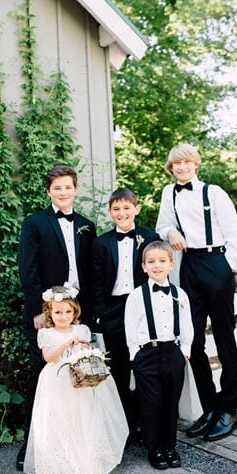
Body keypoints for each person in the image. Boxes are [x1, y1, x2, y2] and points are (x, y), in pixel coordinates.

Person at [155, 143, 237, 441]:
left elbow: (234, 235)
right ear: (171, 168)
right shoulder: (169, 193)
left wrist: (226, 268)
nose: (181, 168)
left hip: (216, 263)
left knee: (224, 336)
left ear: (195, 164)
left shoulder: (214, 192)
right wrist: (171, 233)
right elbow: (162, 225)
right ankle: (210, 408)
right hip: (189, 265)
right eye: (175, 164)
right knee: (192, 340)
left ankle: (229, 409)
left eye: (186, 163)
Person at [16, 165, 96, 470]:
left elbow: (91, 270)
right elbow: (28, 268)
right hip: (48, 312)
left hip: (78, 311)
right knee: (42, 377)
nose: (63, 192)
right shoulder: (35, 223)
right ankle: (31, 446)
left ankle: (76, 445)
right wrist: (39, 309)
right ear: (49, 191)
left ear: (75, 189)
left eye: (68, 187)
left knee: (79, 376)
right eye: (57, 188)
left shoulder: (87, 225)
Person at [23, 285, 128, 474]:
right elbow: (49, 357)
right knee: (61, 418)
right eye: (58, 312)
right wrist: (64, 344)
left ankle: (87, 459)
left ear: (75, 312)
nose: (63, 316)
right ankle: (62, 463)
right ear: (50, 313)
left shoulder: (82, 329)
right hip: (56, 381)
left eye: (68, 312)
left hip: (80, 379)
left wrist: (84, 345)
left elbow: (87, 351)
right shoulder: (46, 333)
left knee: (83, 416)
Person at [91, 188, 160, 442]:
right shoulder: (101, 243)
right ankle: (125, 423)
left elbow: (158, 270)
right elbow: (96, 281)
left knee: (143, 366)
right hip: (114, 310)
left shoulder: (150, 238)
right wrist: (100, 313)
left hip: (143, 307)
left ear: (137, 209)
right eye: (116, 209)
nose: (122, 213)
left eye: (126, 208)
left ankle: (146, 420)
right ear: (110, 212)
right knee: (119, 368)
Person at [124, 241, 194, 469]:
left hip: (173, 352)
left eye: (162, 261)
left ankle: (169, 446)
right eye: (151, 262)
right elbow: (131, 328)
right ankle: (154, 448)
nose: (157, 266)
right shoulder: (136, 295)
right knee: (151, 402)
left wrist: (184, 351)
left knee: (170, 401)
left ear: (171, 264)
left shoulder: (179, 294)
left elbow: (186, 325)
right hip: (147, 354)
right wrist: (135, 355)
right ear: (143, 267)